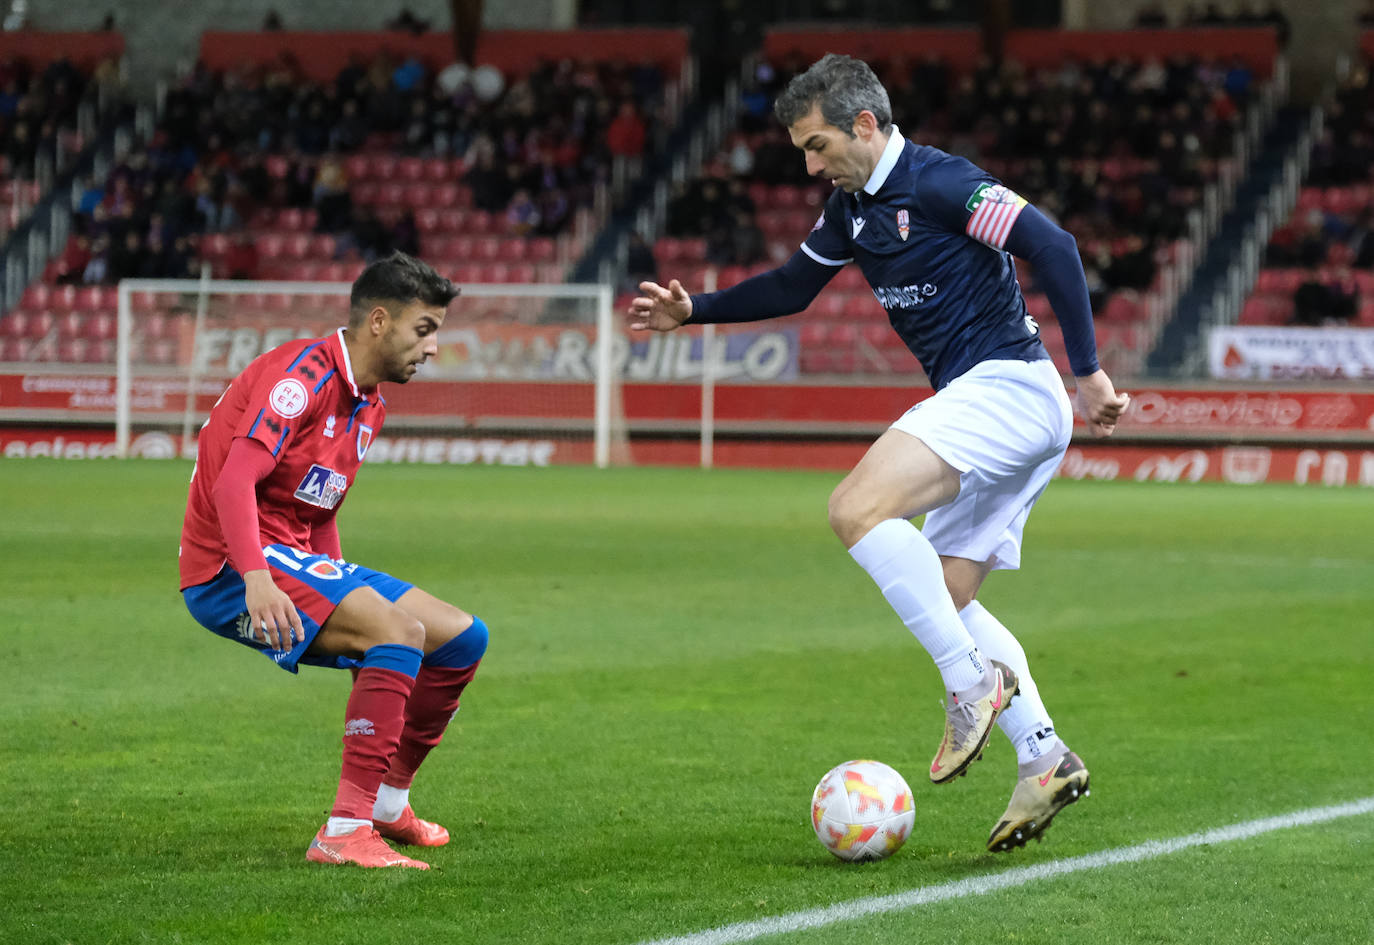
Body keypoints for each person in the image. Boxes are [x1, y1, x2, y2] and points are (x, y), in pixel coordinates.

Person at [629, 54, 1129, 853]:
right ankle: (1043, 756)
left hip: (1009, 384)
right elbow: (792, 287)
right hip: (996, 405)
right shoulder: (849, 210)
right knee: (949, 596)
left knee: (854, 507)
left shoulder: (941, 183)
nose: (810, 163)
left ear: (866, 125)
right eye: (802, 149)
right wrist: (696, 312)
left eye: (818, 144)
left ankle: (970, 683)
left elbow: (1055, 245)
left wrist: (1090, 372)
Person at [179, 252, 487, 869]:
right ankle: (343, 831)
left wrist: (351, 600)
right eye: (424, 330)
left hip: (290, 555)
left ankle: (385, 803)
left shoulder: (368, 404)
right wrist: (258, 583)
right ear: (379, 321)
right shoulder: (300, 378)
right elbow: (234, 484)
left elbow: (319, 510)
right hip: (230, 569)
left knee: (460, 639)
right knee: (399, 633)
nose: (431, 349)